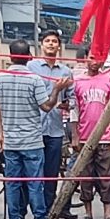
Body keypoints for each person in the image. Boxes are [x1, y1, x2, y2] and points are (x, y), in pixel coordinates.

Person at [0, 38, 53, 219]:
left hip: (11, 142)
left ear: (10, 56)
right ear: (29, 57)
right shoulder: (35, 80)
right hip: (32, 140)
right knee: (35, 184)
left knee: (13, 184)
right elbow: (46, 106)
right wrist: (57, 90)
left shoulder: (0, 78)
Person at [66, 50, 110, 219]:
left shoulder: (109, 80)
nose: (95, 61)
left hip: (104, 137)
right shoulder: (77, 81)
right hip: (84, 137)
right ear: (85, 59)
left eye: (98, 58)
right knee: (85, 176)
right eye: (91, 57)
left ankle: (107, 213)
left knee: (106, 176)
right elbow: (74, 110)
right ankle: (88, 214)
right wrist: (75, 136)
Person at [27, 29, 74, 184]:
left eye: (54, 41)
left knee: (51, 172)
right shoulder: (31, 67)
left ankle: (50, 206)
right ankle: (36, 206)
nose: (51, 44)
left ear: (59, 46)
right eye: (47, 41)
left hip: (55, 129)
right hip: (34, 128)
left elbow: (72, 97)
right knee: (33, 172)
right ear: (41, 45)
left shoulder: (66, 71)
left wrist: (68, 105)